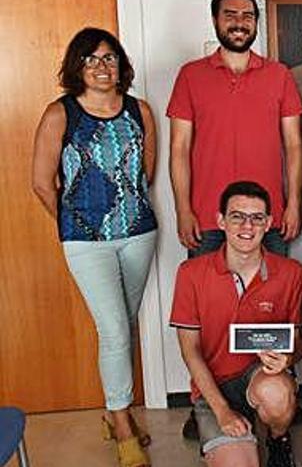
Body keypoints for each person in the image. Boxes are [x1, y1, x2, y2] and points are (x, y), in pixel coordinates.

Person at [32, 27, 157, 467]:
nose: (101, 67)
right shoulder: (60, 113)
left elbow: (147, 174)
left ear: (121, 64)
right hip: (86, 242)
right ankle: (122, 423)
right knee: (114, 332)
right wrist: (75, 221)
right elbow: (42, 182)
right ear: (76, 66)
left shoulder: (140, 111)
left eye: (109, 58)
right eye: (91, 59)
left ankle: (113, 410)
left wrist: (124, 217)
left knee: (124, 324)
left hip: (139, 233)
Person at [170, 181, 302, 467]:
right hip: (213, 387)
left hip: (261, 377)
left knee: (277, 394)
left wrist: (288, 358)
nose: (248, 226)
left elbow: (299, 340)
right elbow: (190, 351)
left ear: (269, 223)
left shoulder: (291, 273)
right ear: (221, 221)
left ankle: (278, 437)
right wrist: (222, 411)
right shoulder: (190, 273)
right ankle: (216, 428)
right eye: (237, 216)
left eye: (257, 217)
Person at [168, 0, 302, 259]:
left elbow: (294, 146)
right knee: (209, 300)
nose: (240, 23)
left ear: (256, 22)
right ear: (215, 20)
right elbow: (179, 149)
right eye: (230, 15)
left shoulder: (280, 75)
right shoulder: (190, 75)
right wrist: (183, 209)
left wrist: (293, 205)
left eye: (248, 16)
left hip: (268, 217)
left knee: (272, 299)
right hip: (208, 217)